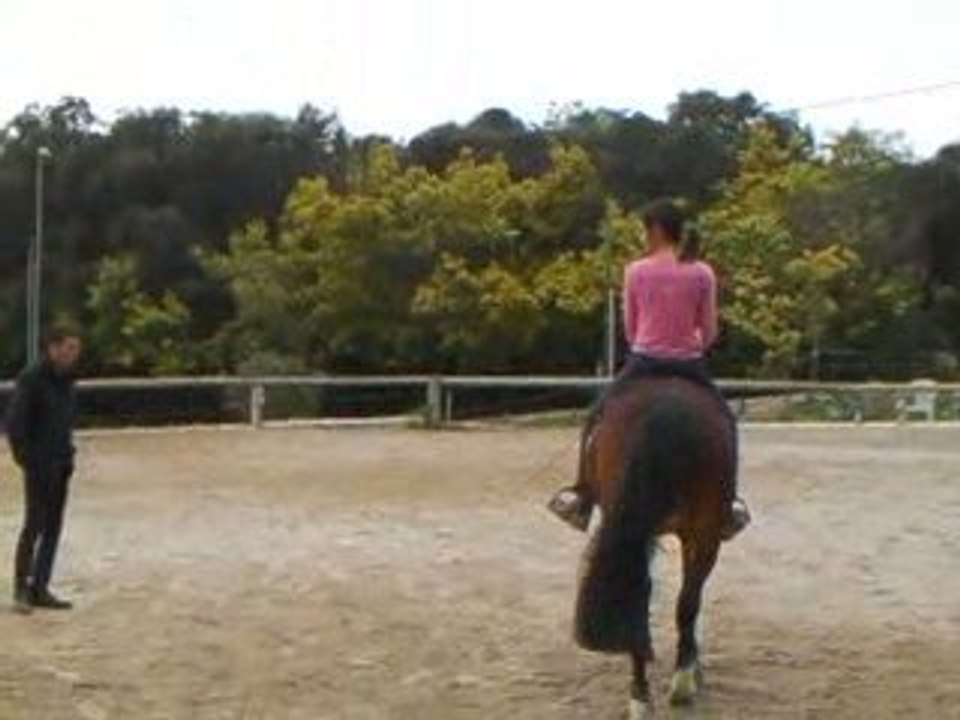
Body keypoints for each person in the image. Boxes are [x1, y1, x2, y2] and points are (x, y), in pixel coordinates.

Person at [548, 199, 750, 537]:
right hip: (689, 364)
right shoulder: (702, 272)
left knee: (597, 417)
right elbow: (710, 330)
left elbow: (630, 329)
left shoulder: (636, 271)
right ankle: (727, 504)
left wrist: (652, 340)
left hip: (644, 362)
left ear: (656, 229)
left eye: (646, 230)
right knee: (725, 422)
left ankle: (582, 496)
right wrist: (688, 343)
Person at [6, 328, 82, 612]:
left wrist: (68, 454)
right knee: (33, 526)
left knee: (53, 527)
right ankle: (21, 588)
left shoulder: (67, 380)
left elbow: (64, 421)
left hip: (61, 464)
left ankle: (40, 586)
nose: (74, 354)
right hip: (39, 466)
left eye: (76, 349)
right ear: (53, 348)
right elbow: (15, 426)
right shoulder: (32, 379)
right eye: (69, 347)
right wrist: (28, 461)